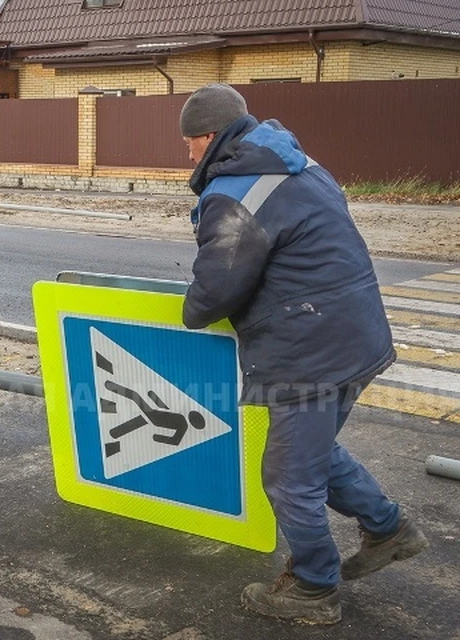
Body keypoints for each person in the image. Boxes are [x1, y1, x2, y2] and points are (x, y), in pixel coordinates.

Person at [178, 84, 429, 624]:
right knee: (313, 455)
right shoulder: (299, 162)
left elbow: (216, 288)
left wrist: (189, 312)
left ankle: (315, 589)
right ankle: (388, 529)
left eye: (189, 143)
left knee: (290, 478)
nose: (188, 154)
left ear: (206, 136)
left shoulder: (236, 191)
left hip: (309, 351)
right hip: (353, 335)